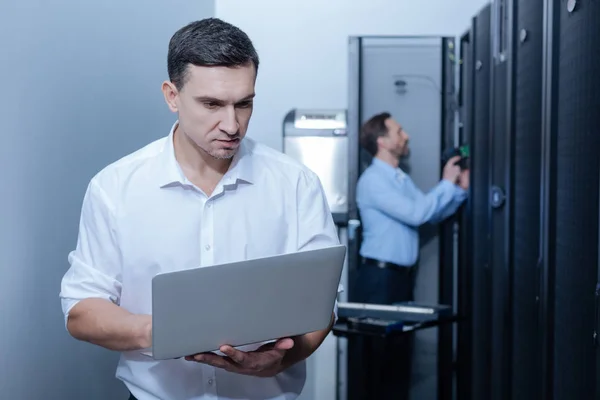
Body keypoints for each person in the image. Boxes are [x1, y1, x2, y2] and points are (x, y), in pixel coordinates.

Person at [59, 18, 339, 400]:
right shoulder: (114, 188)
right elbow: (81, 309)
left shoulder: (296, 185)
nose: (231, 124)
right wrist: (160, 332)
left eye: (244, 104)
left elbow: (322, 303)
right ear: (172, 95)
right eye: (212, 104)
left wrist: (283, 359)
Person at [348, 112, 469, 400]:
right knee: (377, 363)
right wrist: (446, 183)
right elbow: (417, 214)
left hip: (398, 281)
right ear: (382, 141)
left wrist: (459, 191)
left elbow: (431, 213)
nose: (406, 136)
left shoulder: (399, 179)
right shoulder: (373, 181)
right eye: (399, 131)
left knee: (398, 359)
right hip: (378, 281)